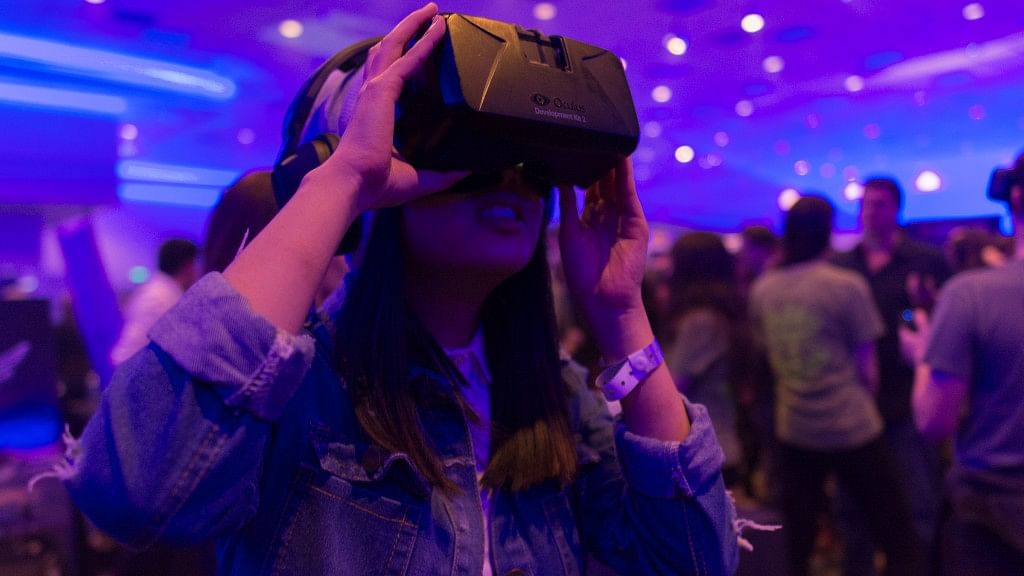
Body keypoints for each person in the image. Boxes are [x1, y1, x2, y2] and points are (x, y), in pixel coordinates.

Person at [58, 6, 741, 575]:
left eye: (531, 166)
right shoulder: (301, 390)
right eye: (469, 154)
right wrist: (342, 181)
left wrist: (623, 314)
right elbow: (137, 495)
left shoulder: (554, 399)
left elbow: (692, 560)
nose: (507, 178)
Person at [750, 196, 922, 576]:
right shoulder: (846, 285)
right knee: (897, 535)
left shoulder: (764, 288)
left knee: (798, 540)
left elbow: (767, 355)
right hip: (852, 425)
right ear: (827, 232)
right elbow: (868, 370)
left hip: (794, 425)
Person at [906, 153, 1024, 574]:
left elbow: (934, 420)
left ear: (1014, 197)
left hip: (993, 517)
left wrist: (924, 356)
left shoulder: (969, 294)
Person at [833, 177, 947, 573]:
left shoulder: (925, 260)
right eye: (865, 204)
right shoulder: (842, 265)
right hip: (854, 399)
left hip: (907, 397)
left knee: (919, 501)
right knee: (855, 506)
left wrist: (927, 308)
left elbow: (945, 325)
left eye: (879, 204)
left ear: (896, 209)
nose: (870, 212)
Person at [664, 232, 750, 488]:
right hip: (718, 445)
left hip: (705, 451)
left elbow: (671, 389)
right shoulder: (718, 315)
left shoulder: (701, 322)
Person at [109, 238, 199, 365]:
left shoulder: (157, 289)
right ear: (188, 266)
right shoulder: (163, 296)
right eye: (196, 264)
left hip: (134, 372)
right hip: (137, 375)